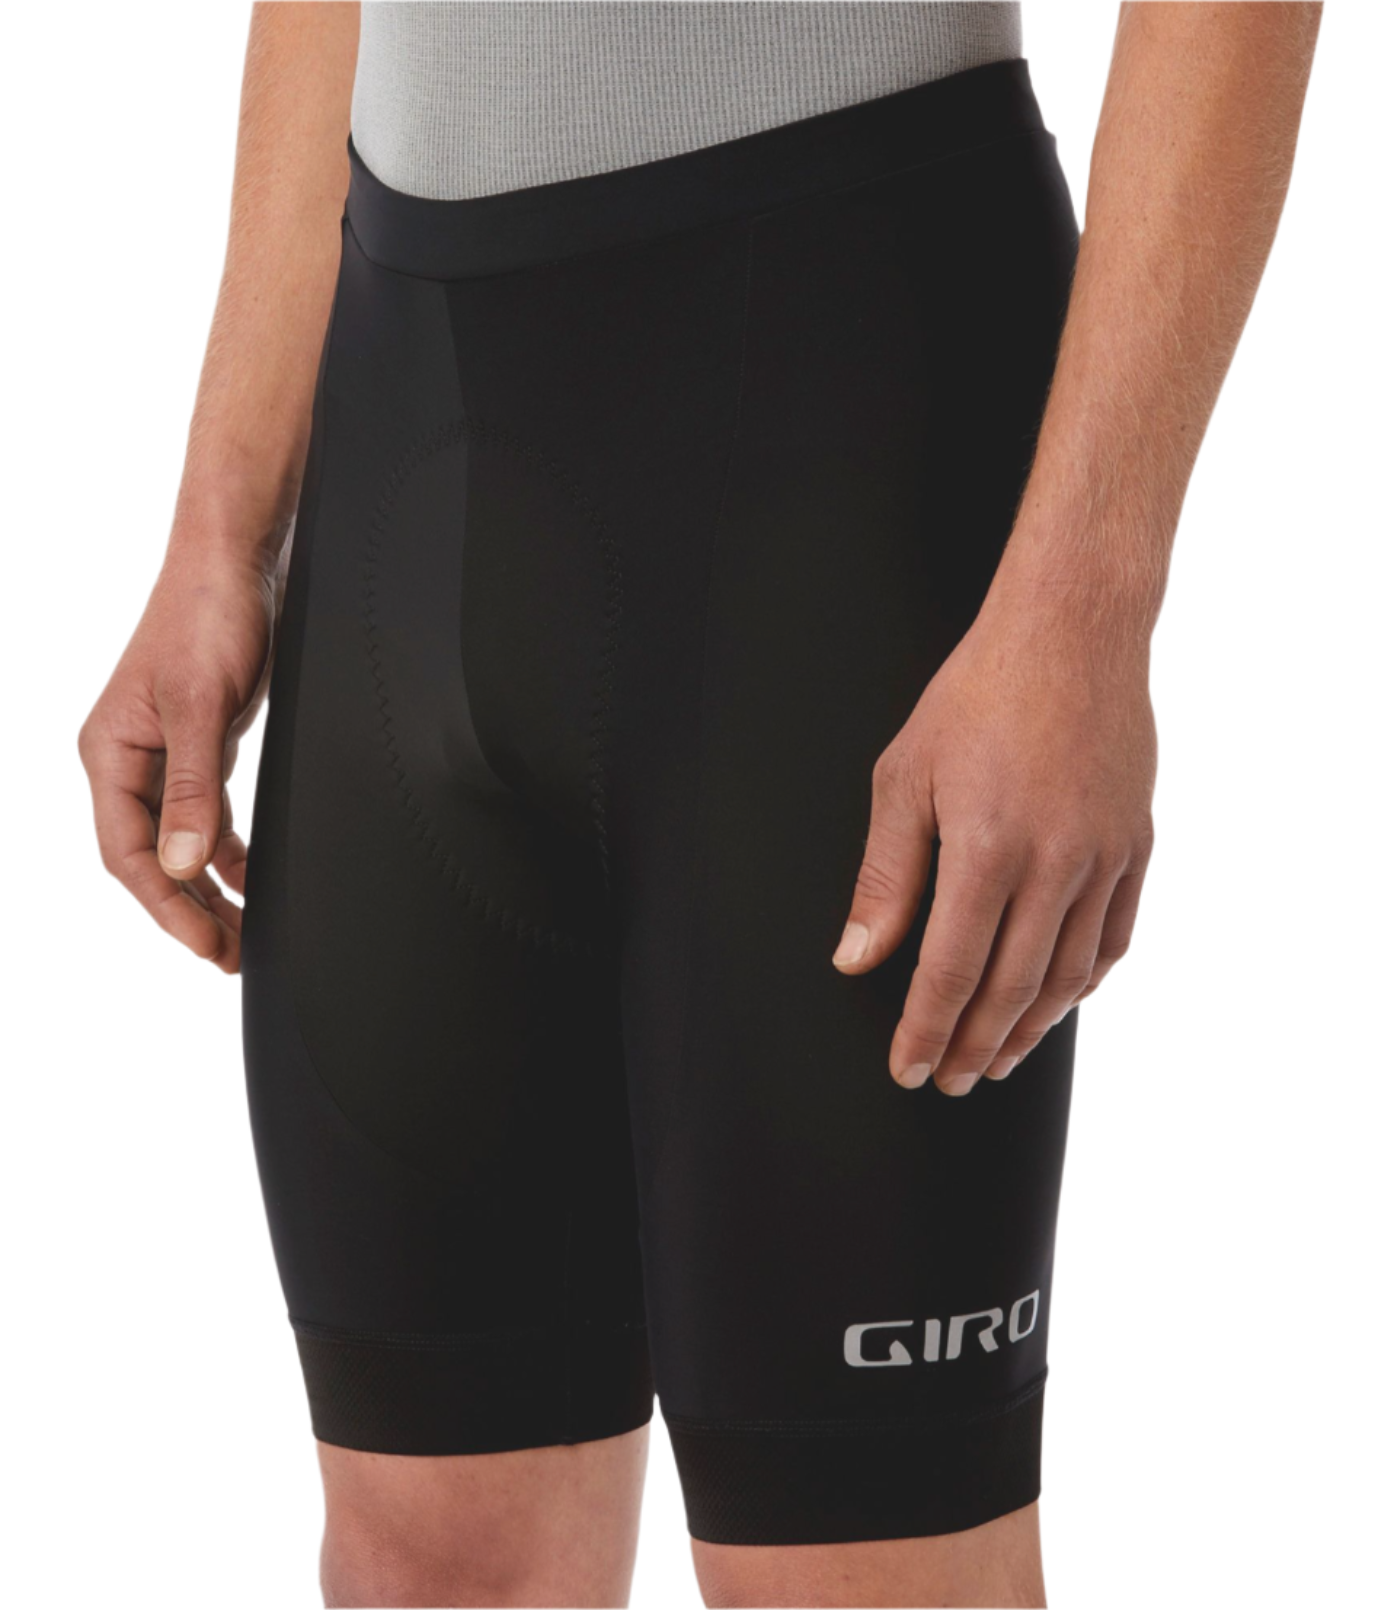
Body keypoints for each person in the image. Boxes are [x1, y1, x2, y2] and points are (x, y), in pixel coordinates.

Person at [78, 4, 1320, 1606]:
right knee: (424, 1555)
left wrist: (1084, 608)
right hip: (406, 435)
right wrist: (219, 527)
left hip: (840, 426)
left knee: (861, 1564)